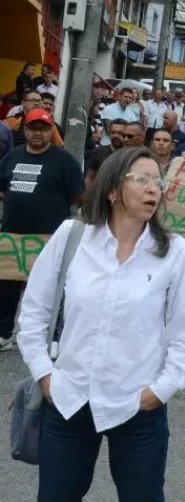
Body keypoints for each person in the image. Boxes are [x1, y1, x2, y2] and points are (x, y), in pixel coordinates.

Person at [17, 147, 185, 501]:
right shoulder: (71, 237)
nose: (154, 188)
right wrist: (45, 374)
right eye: (142, 179)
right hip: (69, 400)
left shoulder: (175, 252)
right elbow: (34, 312)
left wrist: (161, 390)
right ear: (113, 190)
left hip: (136, 404)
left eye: (158, 181)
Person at [0, 109, 85, 352]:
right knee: (6, 287)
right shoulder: (13, 156)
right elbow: (3, 187)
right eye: (33, 128)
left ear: (51, 131)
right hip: (13, 237)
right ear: (24, 130)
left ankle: (52, 337)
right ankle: (3, 333)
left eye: (43, 128)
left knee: (50, 288)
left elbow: (77, 194)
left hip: (49, 238)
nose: (38, 133)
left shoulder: (64, 160)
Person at [85, 120, 126, 189]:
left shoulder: (131, 154)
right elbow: (89, 178)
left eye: (120, 133)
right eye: (113, 133)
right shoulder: (98, 152)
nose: (116, 136)